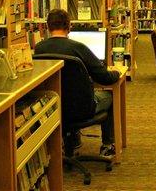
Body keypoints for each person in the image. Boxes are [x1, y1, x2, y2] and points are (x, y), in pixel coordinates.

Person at [34, 9, 121, 158]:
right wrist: (117, 72)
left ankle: (72, 142)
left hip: (51, 107)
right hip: (81, 109)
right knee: (109, 95)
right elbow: (105, 78)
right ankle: (108, 145)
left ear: (48, 27)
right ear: (69, 26)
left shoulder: (39, 48)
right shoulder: (78, 47)